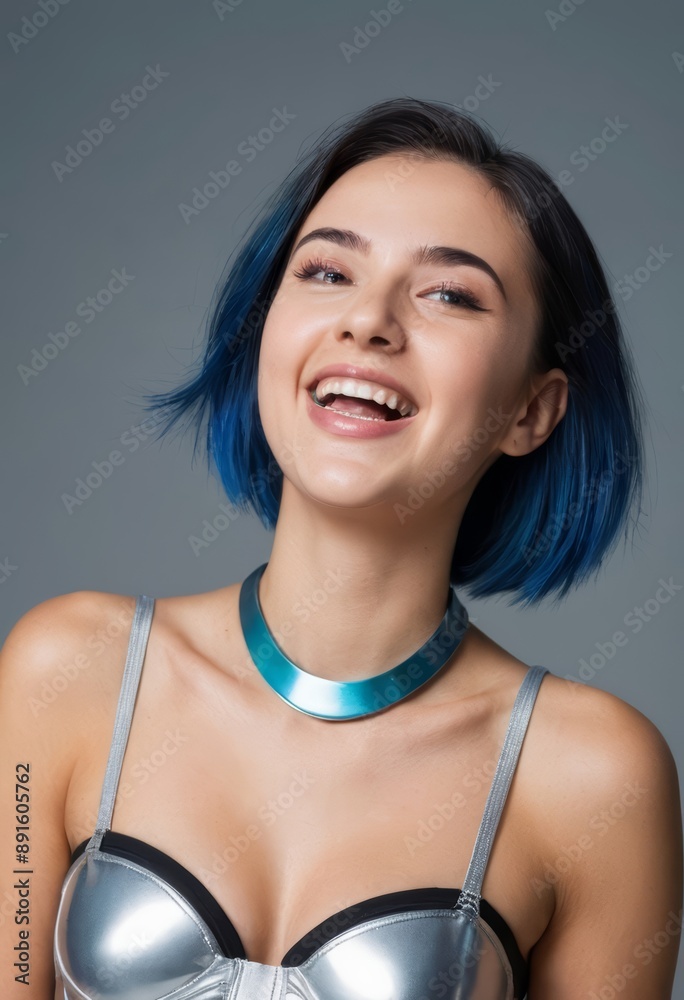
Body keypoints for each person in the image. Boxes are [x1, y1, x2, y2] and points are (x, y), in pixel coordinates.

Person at [0, 97, 681, 999]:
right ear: (264, 335)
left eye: (449, 293)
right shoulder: (69, 671)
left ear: (532, 410)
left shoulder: (595, 777)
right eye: (327, 272)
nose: (369, 321)